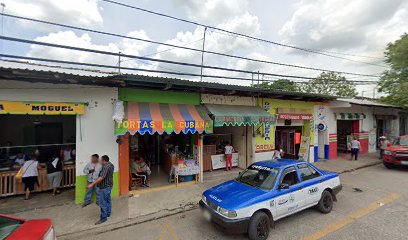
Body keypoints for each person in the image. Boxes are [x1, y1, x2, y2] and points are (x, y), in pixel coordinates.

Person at [87, 155, 114, 225]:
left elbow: (102, 177)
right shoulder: (111, 164)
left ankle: (103, 218)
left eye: (101, 160)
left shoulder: (106, 167)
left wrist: (92, 184)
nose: (100, 161)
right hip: (109, 186)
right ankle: (108, 213)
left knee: (102, 203)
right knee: (108, 200)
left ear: (104, 161)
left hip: (104, 187)